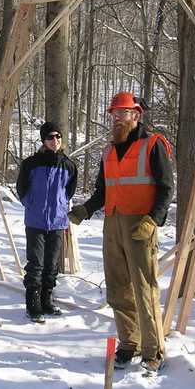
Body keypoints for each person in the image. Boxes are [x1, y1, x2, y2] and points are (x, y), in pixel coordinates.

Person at [68, 92, 174, 373]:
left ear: (136, 115)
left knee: (144, 288)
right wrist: (85, 210)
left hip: (141, 226)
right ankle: (130, 344)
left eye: (123, 113)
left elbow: (166, 188)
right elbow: (103, 191)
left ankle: (153, 351)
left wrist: (154, 220)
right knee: (118, 289)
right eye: (114, 114)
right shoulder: (108, 150)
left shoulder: (153, 144)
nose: (117, 119)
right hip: (113, 225)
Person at [16, 121, 78, 323]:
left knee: (52, 265)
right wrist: (31, 204)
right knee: (36, 264)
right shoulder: (31, 163)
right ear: (43, 140)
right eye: (50, 137)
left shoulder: (68, 165)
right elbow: (22, 188)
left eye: (58, 137)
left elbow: (69, 191)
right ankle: (33, 304)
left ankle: (46, 300)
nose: (55, 141)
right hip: (36, 221)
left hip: (58, 222)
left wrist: (60, 205)